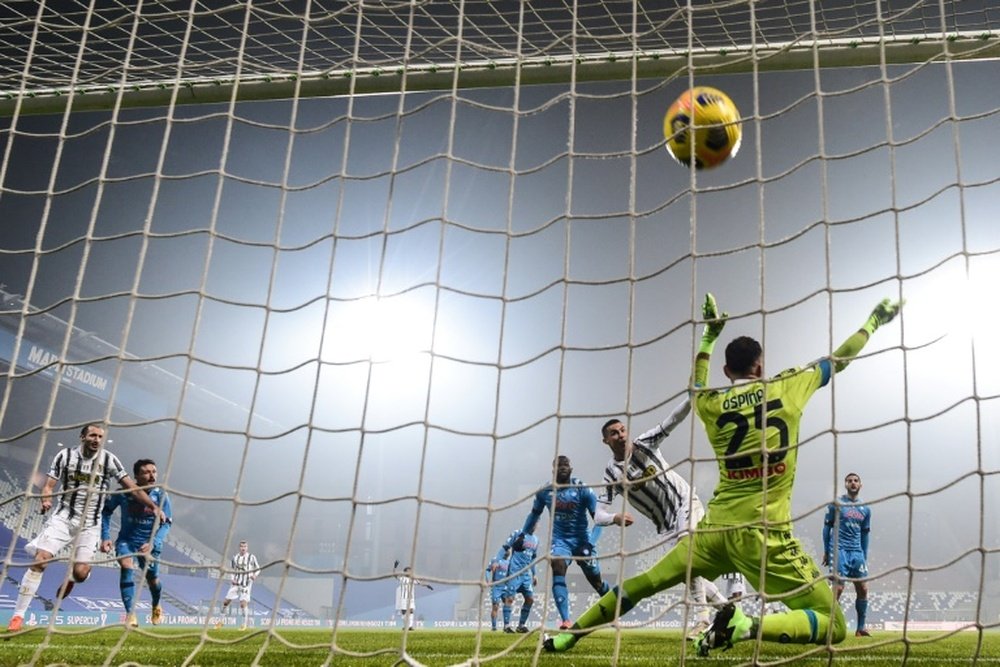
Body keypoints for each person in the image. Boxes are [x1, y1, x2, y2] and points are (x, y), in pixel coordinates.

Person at [544, 293, 902, 657]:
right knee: (835, 625)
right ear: (760, 368)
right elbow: (839, 359)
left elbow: (696, 385)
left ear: (727, 372)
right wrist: (873, 321)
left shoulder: (711, 404)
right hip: (765, 535)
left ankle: (568, 636)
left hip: (713, 532)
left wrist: (709, 335)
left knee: (643, 584)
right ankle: (747, 625)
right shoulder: (789, 385)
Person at [6, 424, 167, 633]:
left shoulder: (109, 460)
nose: (97, 439)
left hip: (90, 524)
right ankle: (18, 616)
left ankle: (73, 578)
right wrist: (46, 500)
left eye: (100, 436)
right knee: (40, 559)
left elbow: (132, 488)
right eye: (92, 435)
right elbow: (48, 486)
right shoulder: (64, 456)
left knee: (81, 573)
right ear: (82, 436)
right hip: (63, 518)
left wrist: (152, 506)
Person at [596, 402, 727, 639]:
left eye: (623, 430)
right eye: (614, 433)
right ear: (606, 441)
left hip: (685, 503)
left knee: (688, 558)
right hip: (665, 527)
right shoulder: (611, 474)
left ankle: (702, 619)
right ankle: (728, 609)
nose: (621, 435)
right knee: (686, 573)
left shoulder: (644, 444)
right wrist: (614, 517)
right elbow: (598, 514)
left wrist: (692, 396)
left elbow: (672, 420)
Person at [518, 455, 611, 630]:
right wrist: (523, 535)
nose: (562, 467)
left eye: (566, 464)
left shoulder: (583, 489)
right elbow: (534, 515)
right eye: (558, 465)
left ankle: (615, 609)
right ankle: (566, 620)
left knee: (597, 582)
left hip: (583, 542)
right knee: (557, 564)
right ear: (553, 470)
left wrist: (590, 544)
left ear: (571, 469)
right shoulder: (545, 492)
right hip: (560, 542)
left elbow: (599, 519)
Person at [100, 458, 172, 628]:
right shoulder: (123, 493)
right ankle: (130, 614)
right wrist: (105, 536)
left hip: (149, 544)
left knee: (152, 579)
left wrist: (153, 542)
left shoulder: (161, 495)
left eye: (154, 471)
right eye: (146, 472)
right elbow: (106, 512)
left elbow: (167, 522)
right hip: (127, 541)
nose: (152, 475)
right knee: (126, 567)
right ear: (136, 476)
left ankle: (156, 604)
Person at [823, 472, 872, 637]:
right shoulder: (836, 504)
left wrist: (864, 555)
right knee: (838, 588)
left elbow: (865, 534)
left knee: (863, 588)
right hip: (839, 549)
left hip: (857, 552)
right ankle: (829, 625)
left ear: (860, 485)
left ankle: (860, 628)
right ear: (845, 484)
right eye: (850, 481)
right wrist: (826, 550)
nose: (853, 483)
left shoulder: (866, 509)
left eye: (856, 480)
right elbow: (827, 528)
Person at [215, 540, 260, 630]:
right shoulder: (235, 557)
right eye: (242, 546)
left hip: (246, 584)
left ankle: (244, 624)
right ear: (239, 548)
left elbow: (258, 568)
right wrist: (233, 578)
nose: (243, 548)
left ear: (247, 548)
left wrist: (255, 575)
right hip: (236, 584)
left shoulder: (251, 557)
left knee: (243, 604)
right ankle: (221, 622)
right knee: (225, 602)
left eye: (245, 546)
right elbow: (232, 570)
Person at [502, 529, 539, 633]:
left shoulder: (536, 539)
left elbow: (532, 559)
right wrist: (499, 560)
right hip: (515, 572)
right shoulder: (518, 533)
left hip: (526, 575)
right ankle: (506, 626)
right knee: (510, 598)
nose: (535, 524)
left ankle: (521, 625)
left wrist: (534, 574)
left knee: (530, 599)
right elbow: (506, 547)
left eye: (537, 522)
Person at [394, 562, 433, 630]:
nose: (410, 572)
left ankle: (410, 626)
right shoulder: (402, 578)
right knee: (404, 612)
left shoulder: (413, 579)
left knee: (411, 611)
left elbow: (420, 583)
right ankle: (405, 626)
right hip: (403, 598)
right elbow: (394, 575)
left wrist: (427, 585)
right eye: (409, 571)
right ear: (405, 572)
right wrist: (395, 567)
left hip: (411, 598)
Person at [486, 549, 511, 631]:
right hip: (496, 586)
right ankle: (494, 627)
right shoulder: (496, 560)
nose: (508, 552)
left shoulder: (510, 562)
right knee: (495, 606)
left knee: (507, 604)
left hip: (506, 586)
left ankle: (506, 626)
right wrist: (487, 580)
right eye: (506, 550)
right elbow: (487, 570)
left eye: (509, 550)